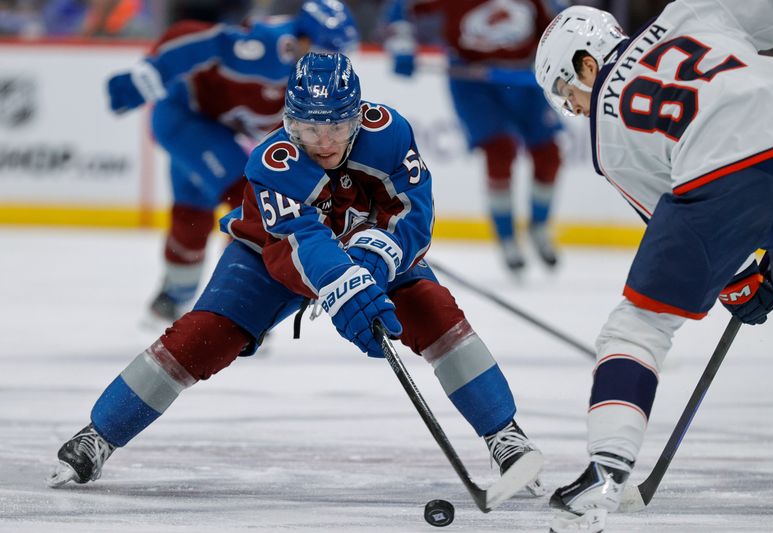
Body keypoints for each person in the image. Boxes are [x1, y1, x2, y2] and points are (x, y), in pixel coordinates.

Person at [47, 52, 545, 500]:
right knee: (204, 336)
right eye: (309, 129)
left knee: (435, 312)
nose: (323, 142)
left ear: (358, 117)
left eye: (337, 127)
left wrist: (373, 260)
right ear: (290, 123)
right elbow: (300, 243)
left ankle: (504, 434)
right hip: (267, 256)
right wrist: (345, 282)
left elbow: (414, 213)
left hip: (367, 251)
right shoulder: (272, 163)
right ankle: (100, 434)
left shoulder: (390, 133)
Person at [534, 2, 773, 531]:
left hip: (723, 170)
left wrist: (739, 282)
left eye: (567, 92)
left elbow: (682, 223)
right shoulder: (688, 11)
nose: (576, 109)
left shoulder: (608, 140)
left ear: (587, 63)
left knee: (636, 327)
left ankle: (607, 468)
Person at [106, 0, 359, 323]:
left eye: (339, 56)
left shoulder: (316, 82)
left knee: (192, 209)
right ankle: (239, 301)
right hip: (183, 119)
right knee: (250, 199)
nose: (329, 66)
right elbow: (203, 37)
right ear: (301, 40)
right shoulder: (268, 47)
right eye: (323, 53)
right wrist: (154, 69)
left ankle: (173, 296)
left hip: (208, 129)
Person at [384, 0, 563, 273]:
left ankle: (539, 225)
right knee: (499, 150)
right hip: (474, 80)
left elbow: (557, 23)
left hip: (524, 74)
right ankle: (507, 237)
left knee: (548, 153)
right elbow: (403, 6)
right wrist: (402, 45)